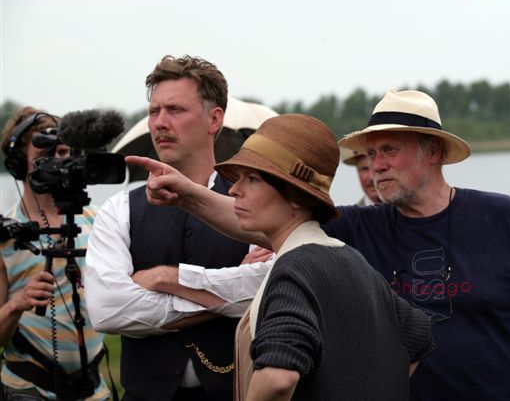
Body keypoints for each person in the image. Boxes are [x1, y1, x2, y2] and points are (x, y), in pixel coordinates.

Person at [127, 89, 510, 401]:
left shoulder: (502, 217)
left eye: (389, 151)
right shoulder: (355, 229)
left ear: (432, 151)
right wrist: (186, 192)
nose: (375, 167)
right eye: (370, 155)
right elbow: (258, 217)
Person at [131, 113, 435, 400]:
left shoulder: (294, 269)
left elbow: (278, 378)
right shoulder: (355, 262)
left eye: (252, 178)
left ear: (294, 195)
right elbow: (418, 334)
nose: (235, 189)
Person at [84, 55, 253, 401]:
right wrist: (221, 298)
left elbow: (262, 290)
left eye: (175, 110)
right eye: (153, 111)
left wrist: (165, 280)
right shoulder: (119, 210)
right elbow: (108, 310)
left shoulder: (252, 205)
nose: (159, 123)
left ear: (214, 119)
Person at [1, 107, 110, 400]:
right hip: (28, 389)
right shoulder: (5, 237)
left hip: (93, 388)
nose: (57, 163)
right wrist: (16, 304)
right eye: (44, 156)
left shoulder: (99, 221)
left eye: (63, 152)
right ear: (17, 165)